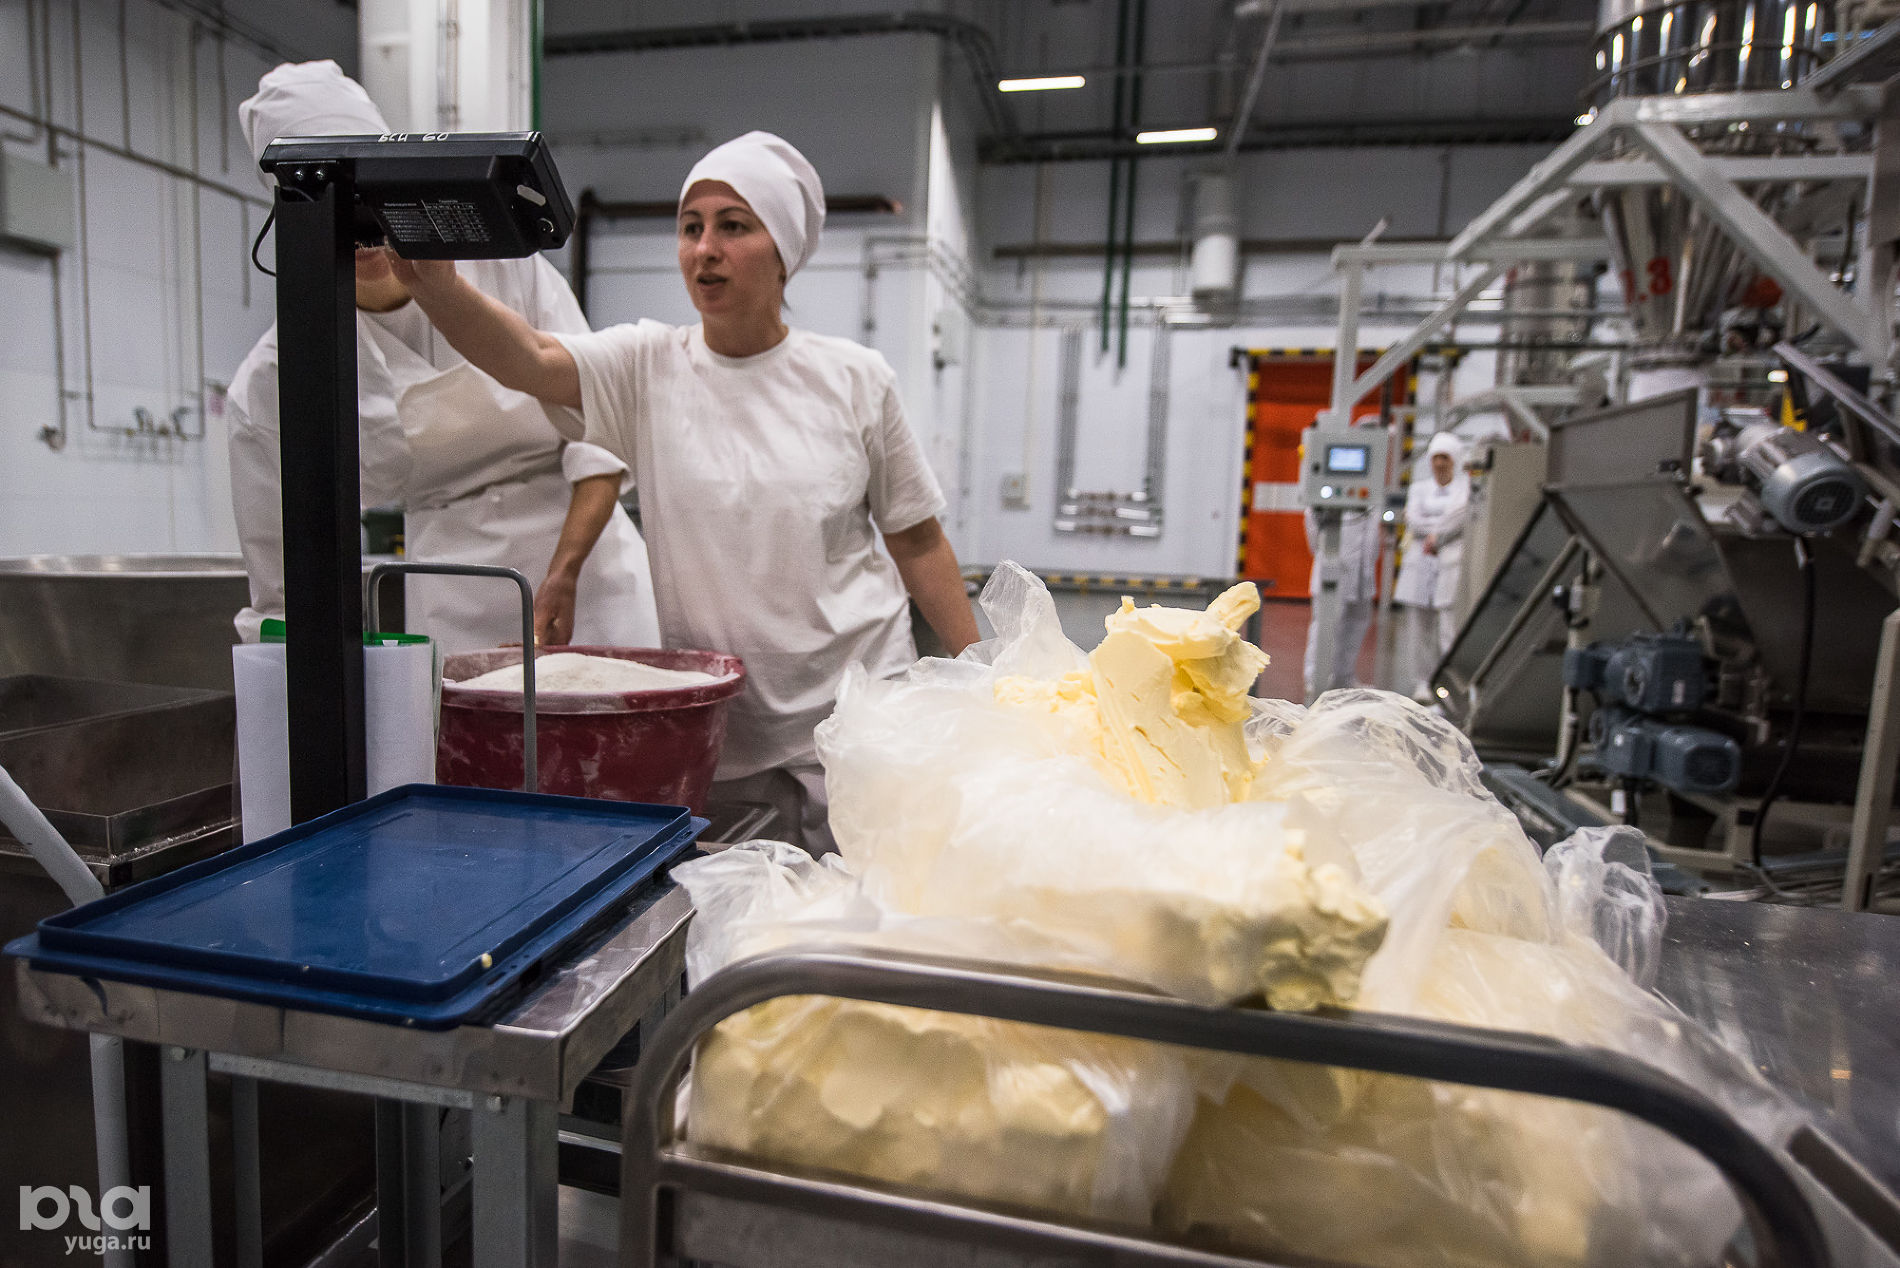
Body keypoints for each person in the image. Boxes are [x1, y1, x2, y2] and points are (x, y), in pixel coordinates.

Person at [388, 130, 980, 854]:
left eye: (734, 227)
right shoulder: (647, 367)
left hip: (863, 718)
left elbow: (916, 539)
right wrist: (439, 288)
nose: (705, 249)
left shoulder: (855, 379)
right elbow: (532, 358)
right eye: (691, 227)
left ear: (784, 250)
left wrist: (987, 675)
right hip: (726, 734)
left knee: (872, 906)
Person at [225, 60, 659, 653]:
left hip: (590, 575)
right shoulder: (279, 374)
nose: (358, 223)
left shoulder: (504, 270)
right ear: (289, 216)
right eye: (323, 200)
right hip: (454, 591)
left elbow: (598, 435)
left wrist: (564, 572)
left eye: (364, 191)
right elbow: (282, 592)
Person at [1391, 431, 1471, 699]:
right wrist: (1439, 529)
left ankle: (1448, 684)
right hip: (1419, 564)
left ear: (1454, 459)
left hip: (1449, 564)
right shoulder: (1419, 488)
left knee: (1448, 628)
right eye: (1436, 457)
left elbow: (1460, 518)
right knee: (1419, 629)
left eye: (1445, 458)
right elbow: (1413, 520)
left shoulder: (1464, 488)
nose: (1439, 463)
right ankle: (1422, 682)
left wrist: (1435, 531)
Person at [1302, 503, 1379, 699]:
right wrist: (1325, 554)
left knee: (1357, 623)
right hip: (1334, 569)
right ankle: (1315, 677)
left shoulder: (1372, 500)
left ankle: (1344, 677)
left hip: (1363, 572)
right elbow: (1313, 531)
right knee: (1326, 625)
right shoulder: (1325, 502)